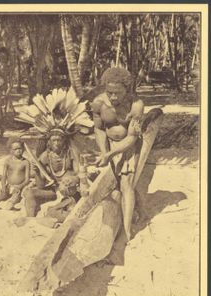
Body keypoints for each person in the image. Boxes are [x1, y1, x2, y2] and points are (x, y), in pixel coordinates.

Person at [92, 67, 148, 244]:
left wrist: (110, 154)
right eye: (110, 92)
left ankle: (126, 229)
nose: (113, 97)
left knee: (126, 185)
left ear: (127, 89)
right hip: (108, 147)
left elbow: (132, 137)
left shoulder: (136, 105)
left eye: (117, 93)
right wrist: (103, 151)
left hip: (128, 148)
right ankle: (135, 211)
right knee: (111, 185)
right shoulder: (98, 103)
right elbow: (99, 129)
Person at [23, 130, 79, 217]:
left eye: (59, 140)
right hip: (53, 191)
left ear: (64, 140)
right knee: (30, 193)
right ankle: (30, 219)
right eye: (54, 140)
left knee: (68, 207)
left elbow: (80, 173)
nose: (56, 143)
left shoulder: (71, 153)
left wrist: (71, 180)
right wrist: (37, 172)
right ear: (49, 142)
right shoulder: (45, 156)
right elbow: (40, 185)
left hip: (71, 191)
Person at [0, 138, 30, 210]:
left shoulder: (25, 162)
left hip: (19, 187)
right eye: (15, 149)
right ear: (11, 151)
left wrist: (20, 186)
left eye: (20, 148)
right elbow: (4, 176)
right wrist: (3, 187)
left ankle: (10, 204)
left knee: (14, 199)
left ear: (23, 149)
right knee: (1, 195)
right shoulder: (8, 161)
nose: (18, 150)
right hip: (8, 185)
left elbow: (27, 179)